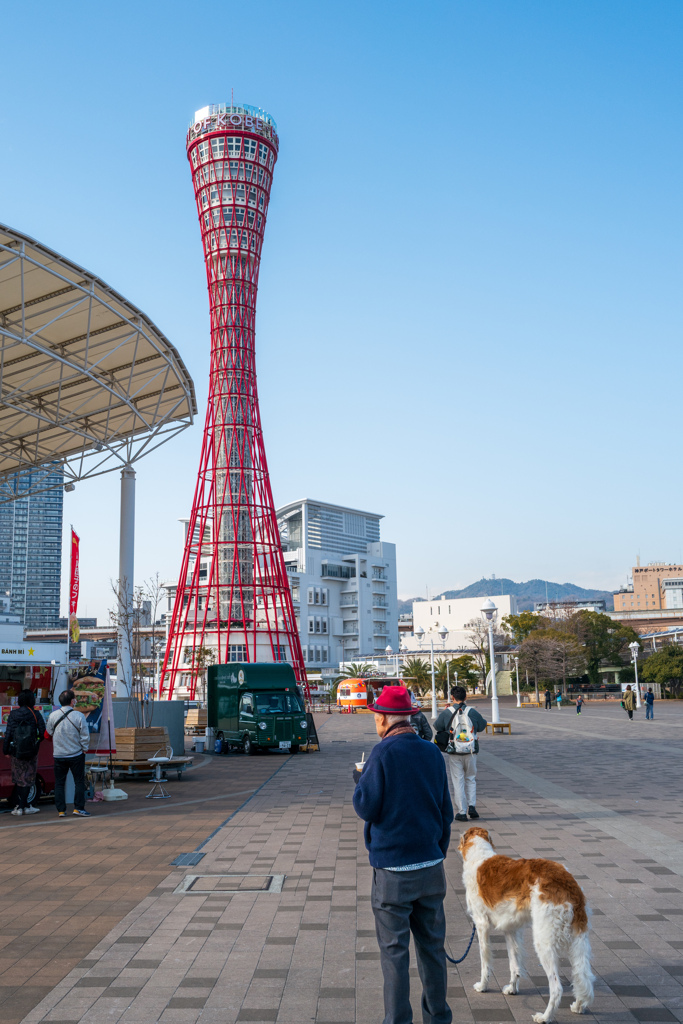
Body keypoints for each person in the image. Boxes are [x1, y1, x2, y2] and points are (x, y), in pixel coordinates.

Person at [353, 685, 453, 1024]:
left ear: (382, 718)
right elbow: (446, 813)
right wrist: (436, 853)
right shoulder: (432, 753)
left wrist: (360, 778)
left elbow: (367, 807)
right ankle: (438, 1018)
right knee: (432, 950)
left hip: (393, 871)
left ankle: (398, 1021)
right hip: (430, 867)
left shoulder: (382, 754)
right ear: (410, 716)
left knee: (394, 953)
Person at [434, 686, 487, 823]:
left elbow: (438, 726)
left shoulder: (448, 712)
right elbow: (481, 726)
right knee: (471, 778)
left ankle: (462, 812)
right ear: (466, 697)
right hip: (471, 751)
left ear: (452, 697)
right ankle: (472, 807)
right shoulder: (472, 712)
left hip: (454, 751)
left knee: (458, 780)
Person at [46, 689, 91, 817]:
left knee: (59, 783)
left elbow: (48, 734)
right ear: (72, 701)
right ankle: (78, 808)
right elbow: (85, 735)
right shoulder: (79, 716)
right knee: (79, 781)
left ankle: (61, 810)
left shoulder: (53, 715)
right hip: (76, 754)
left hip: (59, 755)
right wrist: (84, 748)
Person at [3, 690, 45, 816]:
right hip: (31, 751)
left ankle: (21, 806)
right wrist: (35, 743)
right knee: (29, 777)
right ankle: (24, 807)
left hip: (16, 751)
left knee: (19, 778)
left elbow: (8, 734)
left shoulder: (13, 714)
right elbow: (43, 733)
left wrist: (5, 750)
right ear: (32, 700)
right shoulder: (35, 714)